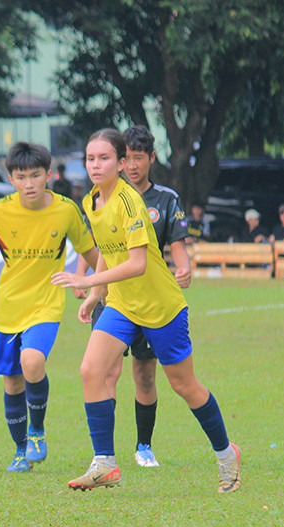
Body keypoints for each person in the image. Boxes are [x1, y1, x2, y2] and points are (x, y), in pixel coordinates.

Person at [50, 129, 241, 494]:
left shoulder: (130, 202)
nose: (95, 165)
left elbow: (137, 263)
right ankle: (104, 464)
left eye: (104, 158)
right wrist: (96, 294)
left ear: (121, 163)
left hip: (160, 306)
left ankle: (226, 454)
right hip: (122, 305)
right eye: (90, 158)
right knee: (91, 370)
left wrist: (89, 281)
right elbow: (109, 248)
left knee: (183, 385)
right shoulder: (91, 201)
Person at [0, 142, 99, 472]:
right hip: (7, 309)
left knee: (32, 361)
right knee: (12, 382)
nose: (29, 184)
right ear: (11, 179)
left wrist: (99, 284)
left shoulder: (66, 210)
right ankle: (19, 450)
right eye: (21, 177)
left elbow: (90, 252)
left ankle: (37, 430)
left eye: (35, 175)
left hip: (46, 305)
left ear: (49, 174)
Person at [74, 125, 192, 468]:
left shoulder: (162, 199)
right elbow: (99, 245)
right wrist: (90, 286)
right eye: (91, 158)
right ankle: (104, 455)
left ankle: (144, 445)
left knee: (144, 374)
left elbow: (173, 244)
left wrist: (184, 267)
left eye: (139, 158)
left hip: (149, 298)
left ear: (146, 159)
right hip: (112, 297)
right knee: (103, 370)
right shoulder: (96, 198)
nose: (134, 165)